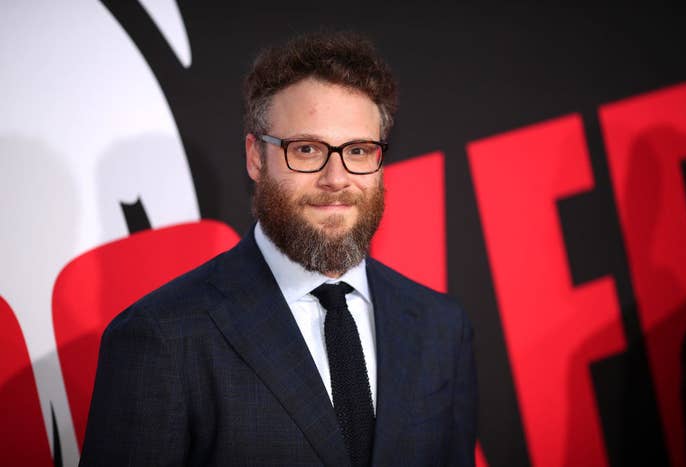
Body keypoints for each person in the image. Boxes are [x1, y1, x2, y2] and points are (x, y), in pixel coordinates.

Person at [80, 31, 477, 467]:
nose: (336, 178)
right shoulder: (162, 338)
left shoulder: (442, 327)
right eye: (306, 149)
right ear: (255, 157)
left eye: (359, 150)